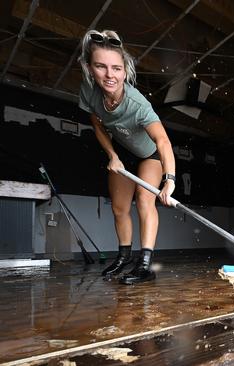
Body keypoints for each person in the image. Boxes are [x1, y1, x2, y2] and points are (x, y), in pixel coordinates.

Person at [77, 30, 176, 284]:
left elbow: (163, 141)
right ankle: (124, 258)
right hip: (121, 154)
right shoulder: (89, 90)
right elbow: (97, 124)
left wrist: (170, 180)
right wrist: (112, 154)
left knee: (145, 200)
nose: (110, 75)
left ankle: (145, 265)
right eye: (101, 66)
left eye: (116, 69)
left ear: (125, 70)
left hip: (148, 155)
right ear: (90, 68)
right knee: (119, 208)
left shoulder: (138, 104)